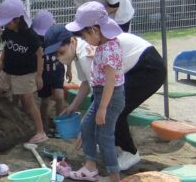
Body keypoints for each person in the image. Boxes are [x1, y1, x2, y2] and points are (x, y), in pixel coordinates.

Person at [47, 23, 166, 171]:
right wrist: (74, 106)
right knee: (108, 109)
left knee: (115, 109)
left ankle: (130, 152)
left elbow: (100, 92)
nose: (59, 58)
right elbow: (86, 83)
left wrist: (87, 128)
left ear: (71, 42)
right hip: (138, 65)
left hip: (148, 68)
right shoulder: (80, 49)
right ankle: (116, 146)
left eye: (61, 52)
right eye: (56, 55)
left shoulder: (85, 53)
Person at [64, 1, 125, 182]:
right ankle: (90, 166)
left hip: (110, 97)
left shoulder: (108, 50)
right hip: (102, 95)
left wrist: (103, 108)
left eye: (84, 34)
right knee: (86, 126)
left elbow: (110, 82)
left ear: (94, 30)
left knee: (104, 135)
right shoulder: (105, 45)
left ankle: (114, 176)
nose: (84, 39)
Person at [0, 0, 47, 147]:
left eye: (8, 21)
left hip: (25, 73)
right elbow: (7, 47)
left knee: (28, 101)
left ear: (18, 19)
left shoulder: (31, 36)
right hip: (8, 70)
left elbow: (40, 55)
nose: (6, 24)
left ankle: (41, 132)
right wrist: (1, 61)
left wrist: (39, 76)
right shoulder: (8, 31)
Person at [31, 10, 66, 133]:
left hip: (57, 71)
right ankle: (44, 125)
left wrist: (69, 68)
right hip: (43, 73)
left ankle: (61, 124)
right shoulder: (36, 40)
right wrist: (37, 75)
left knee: (60, 98)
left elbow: (67, 52)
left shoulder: (58, 37)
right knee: (45, 101)